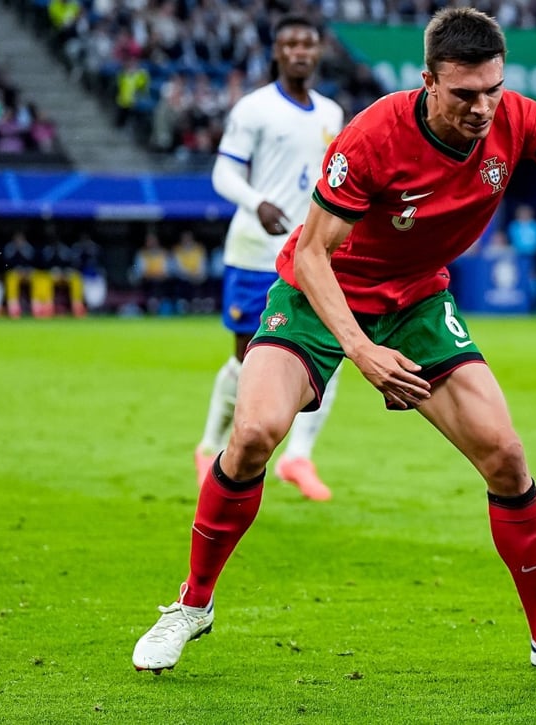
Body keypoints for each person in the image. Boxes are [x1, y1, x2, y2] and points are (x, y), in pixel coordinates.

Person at [132, 7, 536, 676]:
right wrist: (361, 352)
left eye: (493, 88)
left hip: (417, 300)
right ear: (428, 80)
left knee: (507, 456)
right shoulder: (373, 135)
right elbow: (312, 254)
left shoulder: (511, 115)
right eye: (464, 94)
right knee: (253, 433)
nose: (483, 107)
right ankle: (190, 606)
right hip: (322, 292)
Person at [197, 15, 345, 501]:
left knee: (331, 354)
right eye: (290, 44)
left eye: (308, 43)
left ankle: (298, 457)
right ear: (276, 52)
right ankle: (212, 448)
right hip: (255, 252)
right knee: (247, 361)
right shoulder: (253, 109)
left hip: (308, 255)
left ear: (318, 50)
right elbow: (224, 173)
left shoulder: (332, 114)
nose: (300, 51)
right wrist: (254, 202)